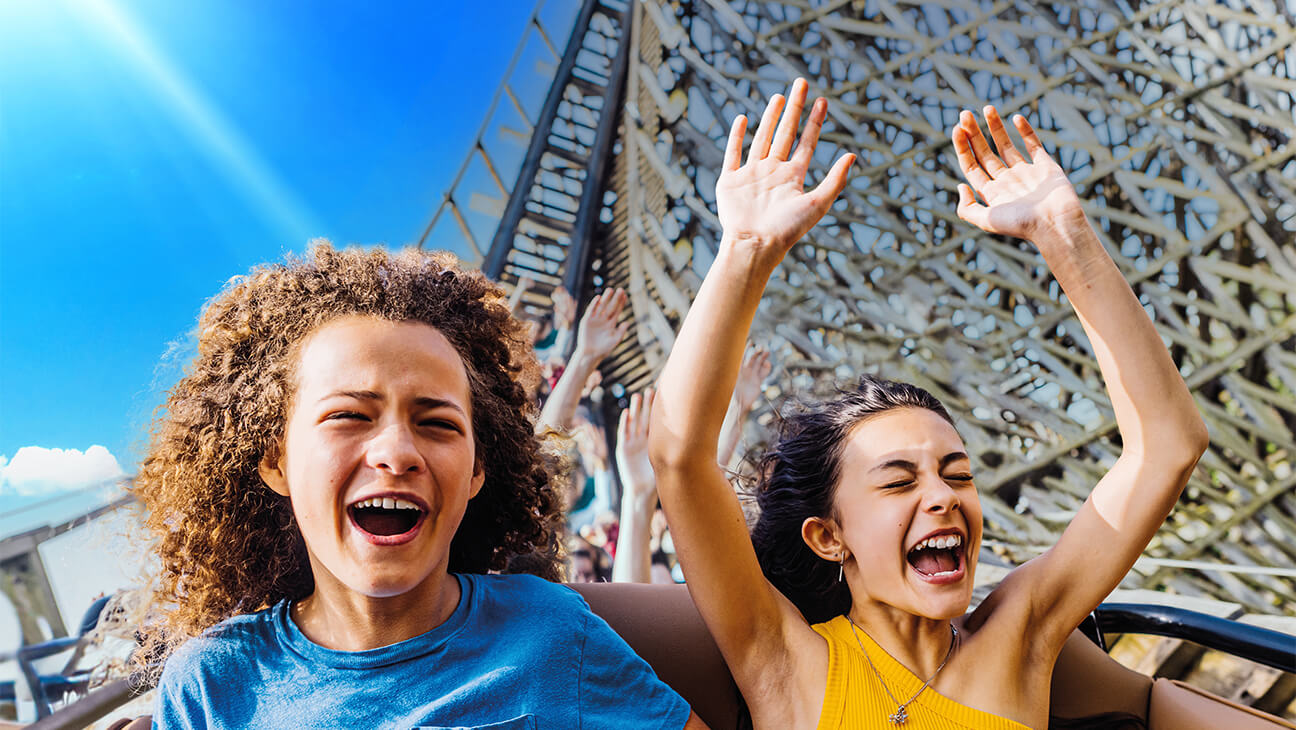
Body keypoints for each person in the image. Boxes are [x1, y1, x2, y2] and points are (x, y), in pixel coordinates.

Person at [649, 78, 1207, 729]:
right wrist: (744, 252)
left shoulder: (1019, 638)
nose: (943, 496)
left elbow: (1167, 447)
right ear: (828, 537)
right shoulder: (786, 661)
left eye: (958, 473)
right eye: (898, 481)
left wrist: (1066, 236)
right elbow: (680, 456)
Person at [133, 244, 705, 728]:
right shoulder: (210, 688)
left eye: (437, 424)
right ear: (275, 462)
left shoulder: (552, 635)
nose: (399, 454)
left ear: (478, 469)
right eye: (349, 416)